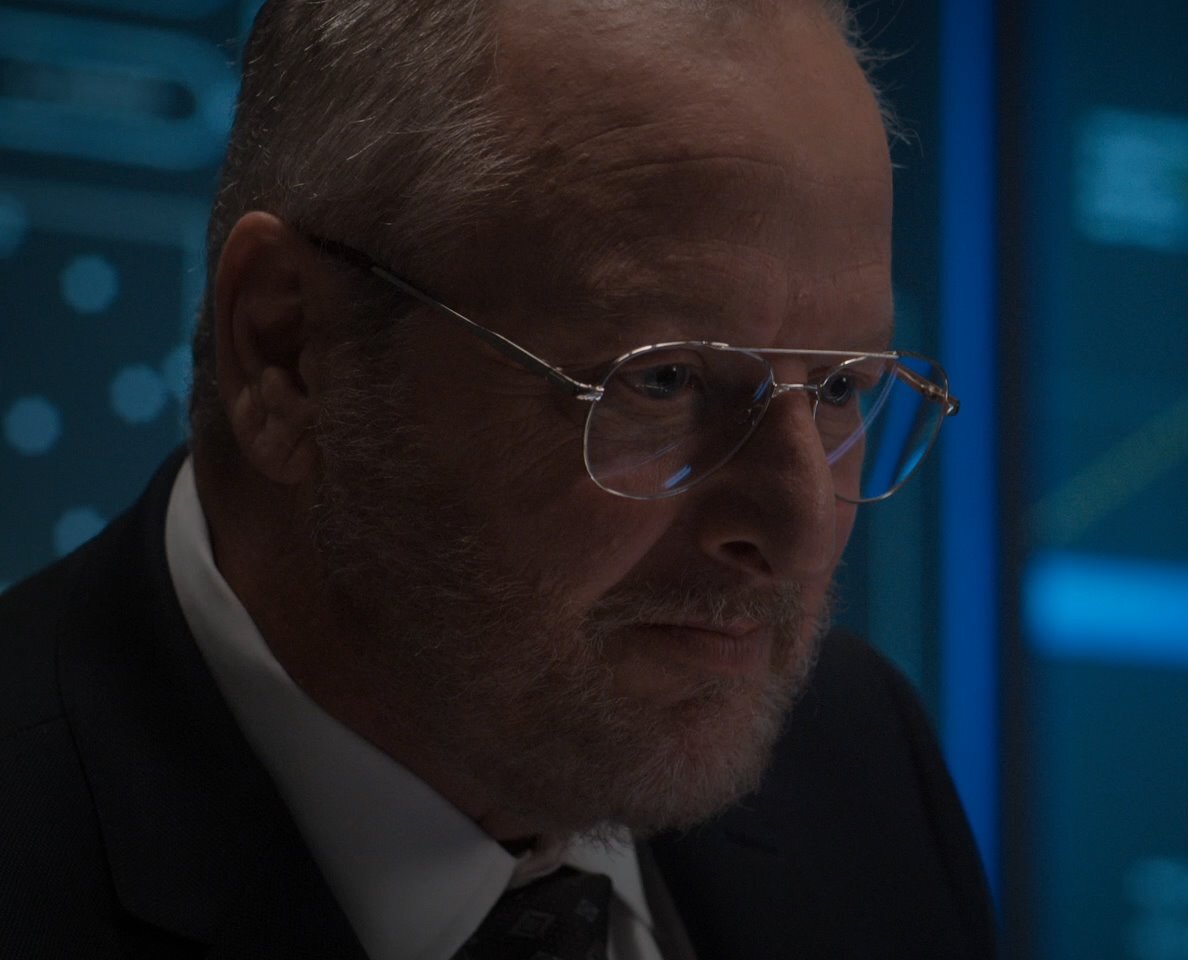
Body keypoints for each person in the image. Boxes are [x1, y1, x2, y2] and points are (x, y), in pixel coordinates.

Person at [0, 0, 996, 956]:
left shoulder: (858, 764)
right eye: (664, 380)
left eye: (841, 388)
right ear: (290, 353)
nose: (802, 530)